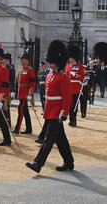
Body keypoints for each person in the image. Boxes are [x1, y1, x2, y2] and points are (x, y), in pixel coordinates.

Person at [26, 40, 74, 173]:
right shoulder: (49, 75)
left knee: (48, 139)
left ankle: (38, 163)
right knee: (60, 139)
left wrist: (63, 114)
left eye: (51, 62)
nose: (49, 64)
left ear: (57, 62)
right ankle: (69, 161)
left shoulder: (63, 77)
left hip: (57, 112)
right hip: (50, 110)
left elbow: (67, 97)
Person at [13, 52, 36, 134]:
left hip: (25, 94)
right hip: (20, 93)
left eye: (22, 59)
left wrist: (30, 94)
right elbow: (17, 83)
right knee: (25, 112)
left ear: (27, 61)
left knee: (21, 110)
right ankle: (29, 129)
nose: (21, 61)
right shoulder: (20, 70)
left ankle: (17, 129)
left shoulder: (30, 70)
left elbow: (32, 84)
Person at [65, 44, 85, 126]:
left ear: (74, 58)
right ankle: (70, 119)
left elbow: (82, 77)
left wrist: (75, 75)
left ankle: (74, 121)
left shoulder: (80, 67)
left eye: (71, 58)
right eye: (69, 58)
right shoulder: (67, 66)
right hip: (68, 87)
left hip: (76, 88)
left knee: (74, 105)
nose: (70, 59)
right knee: (69, 105)